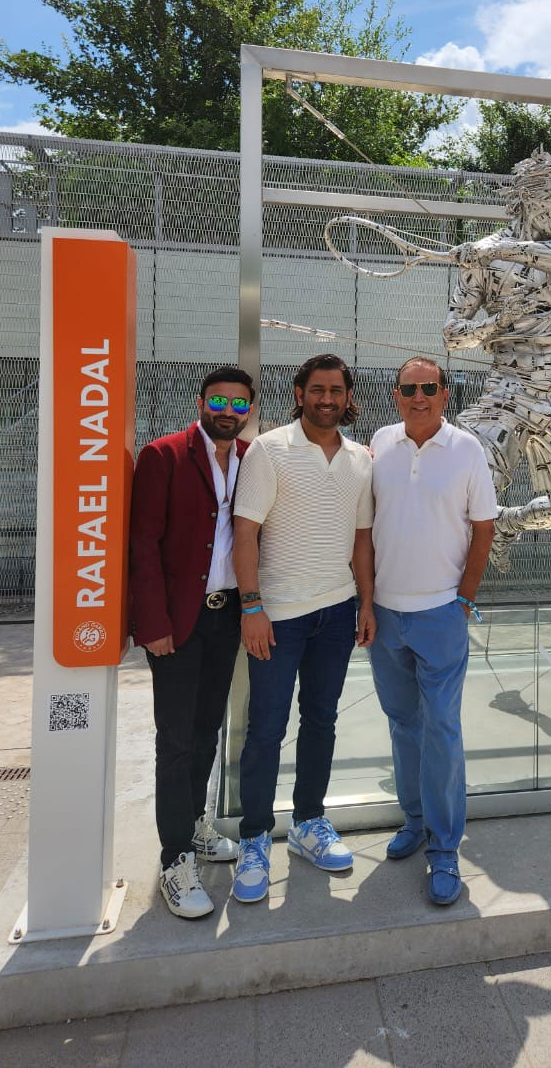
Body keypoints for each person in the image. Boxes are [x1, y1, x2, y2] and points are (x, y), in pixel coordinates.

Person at [230, 354, 374, 905]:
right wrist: (251, 608)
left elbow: (362, 539)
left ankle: (310, 824)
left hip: (336, 613)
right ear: (299, 392)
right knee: (265, 729)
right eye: (317, 389)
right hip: (278, 616)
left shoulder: (361, 459)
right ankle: (254, 840)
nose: (327, 399)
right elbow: (246, 534)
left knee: (321, 721)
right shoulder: (268, 449)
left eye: (336, 390)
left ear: (347, 396)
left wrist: (367, 603)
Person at [129, 365, 255, 919]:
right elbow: (143, 545)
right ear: (202, 401)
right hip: (178, 622)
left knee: (207, 730)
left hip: (226, 617)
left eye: (238, 404)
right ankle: (174, 858)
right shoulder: (164, 455)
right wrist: (151, 622)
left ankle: (196, 825)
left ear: (249, 410)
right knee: (175, 740)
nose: (228, 411)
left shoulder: (252, 460)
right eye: (219, 401)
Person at [370, 356, 496, 906]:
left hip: (441, 612)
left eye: (428, 387)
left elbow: (484, 529)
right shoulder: (379, 442)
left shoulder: (468, 450)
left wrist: (464, 600)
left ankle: (445, 851)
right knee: (403, 724)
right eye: (408, 388)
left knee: (442, 728)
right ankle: (416, 820)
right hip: (385, 614)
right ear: (396, 395)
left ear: (446, 394)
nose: (418, 396)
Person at [442, 147, 551, 571]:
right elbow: (453, 335)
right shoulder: (483, 256)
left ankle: (510, 524)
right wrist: (497, 323)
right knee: (475, 492)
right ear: (527, 196)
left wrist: (503, 252)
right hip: (509, 386)